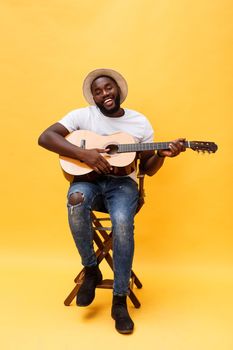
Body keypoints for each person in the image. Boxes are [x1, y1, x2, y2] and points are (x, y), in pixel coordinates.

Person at [38, 68, 186, 334]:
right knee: (75, 199)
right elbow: (46, 137)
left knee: (121, 221)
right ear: (92, 97)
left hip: (123, 186)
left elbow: (149, 169)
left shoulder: (139, 123)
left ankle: (119, 299)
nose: (104, 94)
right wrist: (86, 155)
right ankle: (91, 269)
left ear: (117, 89)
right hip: (88, 182)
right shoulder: (81, 116)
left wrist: (162, 155)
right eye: (97, 91)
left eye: (108, 88)